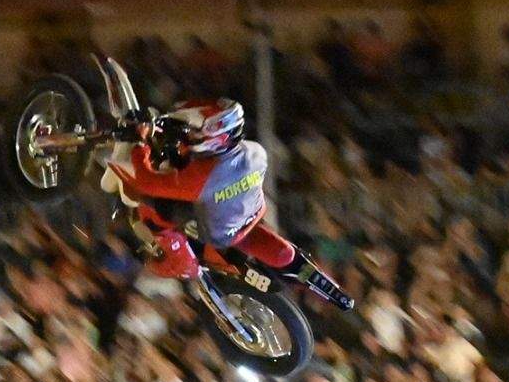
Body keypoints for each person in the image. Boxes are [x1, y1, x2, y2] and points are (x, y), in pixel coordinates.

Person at [107, 100, 354, 310]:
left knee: (149, 207)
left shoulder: (202, 178)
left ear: (217, 139)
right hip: (250, 215)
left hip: (217, 232)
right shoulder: (255, 151)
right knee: (283, 253)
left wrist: (140, 144)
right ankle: (332, 291)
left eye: (196, 133)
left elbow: (147, 181)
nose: (191, 135)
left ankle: (177, 254)